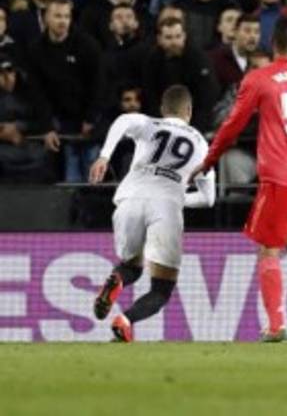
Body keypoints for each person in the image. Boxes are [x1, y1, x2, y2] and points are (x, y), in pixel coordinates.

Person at [191, 17, 287, 342]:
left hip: (278, 175)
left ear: (273, 45)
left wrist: (209, 160)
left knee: (268, 250)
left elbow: (232, 125)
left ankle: (276, 326)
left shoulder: (259, 78)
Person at [89, 85, 216, 342]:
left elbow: (124, 120)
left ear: (162, 108)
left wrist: (104, 156)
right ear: (188, 111)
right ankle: (125, 321)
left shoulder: (149, 124)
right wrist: (179, 197)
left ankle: (115, 281)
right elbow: (208, 198)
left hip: (129, 200)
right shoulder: (202, 143)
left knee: (130, 268)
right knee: (161, 289)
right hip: (166, 207)